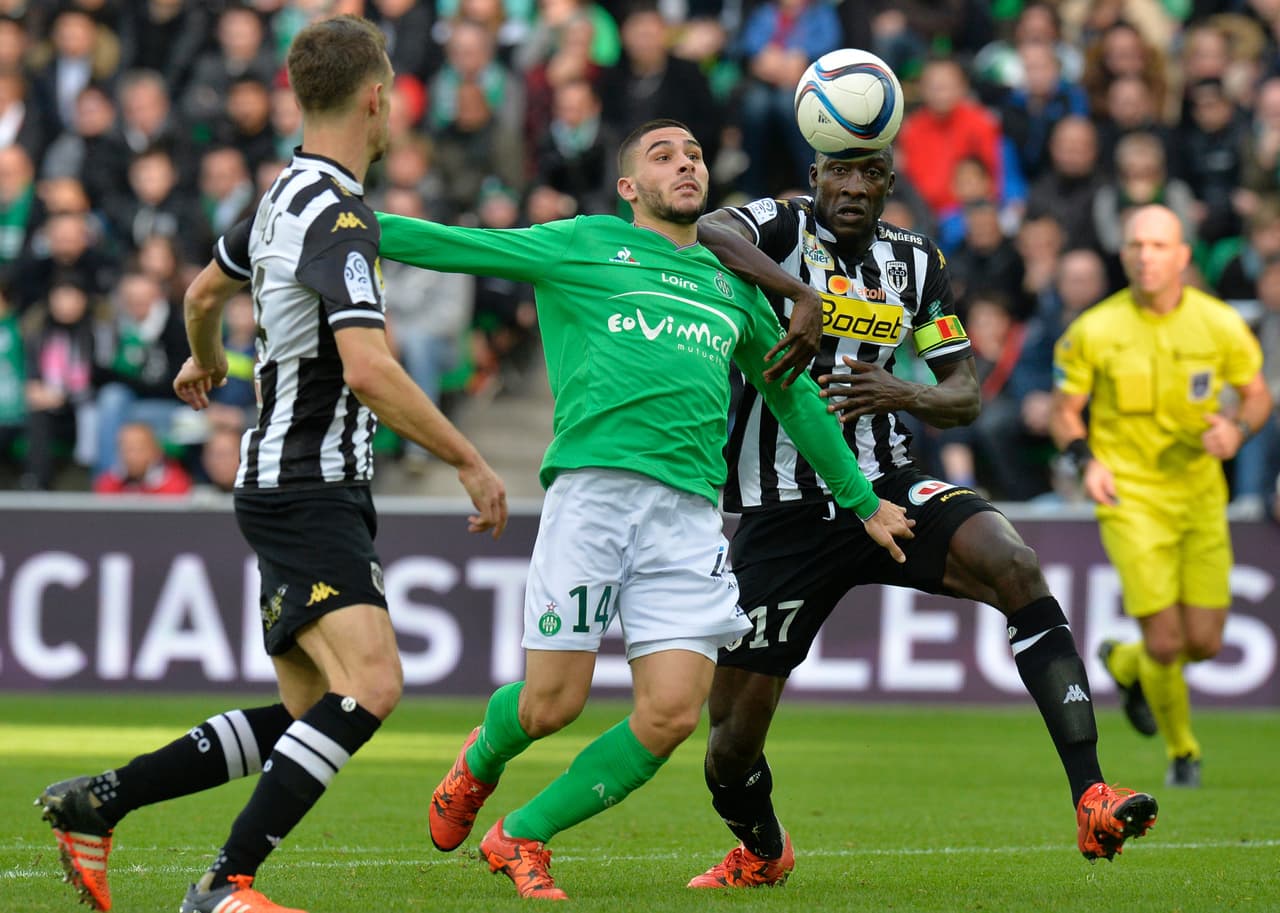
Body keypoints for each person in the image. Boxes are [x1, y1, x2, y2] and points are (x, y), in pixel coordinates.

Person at [35, 16, 508, 913]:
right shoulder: (339, 215)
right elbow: (369, 369)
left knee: (306, 710)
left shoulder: (281, 194)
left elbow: (202, 290)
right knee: (372, 684)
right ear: (377, 99)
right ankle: (225, 883)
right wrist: (469, 459)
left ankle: (101, 801)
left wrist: (206, 356)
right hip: (307, 483)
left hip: (286, 479)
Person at [374, 118, 915, 900]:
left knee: (670, 715)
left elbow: (794, 397)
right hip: (593, 498)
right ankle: (481, 758)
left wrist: (863, 501)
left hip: (689, 517)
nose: (686, 164)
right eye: (664, 156)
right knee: (550, 704)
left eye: (695, 154)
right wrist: (347, 224)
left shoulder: (732, 287)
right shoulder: (584, 242)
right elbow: (456, 244)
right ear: (630, 186)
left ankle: (521, 834)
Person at [686, 144, 1160, 889]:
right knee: (729, 745)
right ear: (815, 177)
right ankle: (761, 847)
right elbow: (710, 228)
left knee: (1014, 563)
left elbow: (964, 393)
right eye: (839, 171)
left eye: (870, 174)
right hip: (783, 509)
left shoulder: (916, 260)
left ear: (889, 185)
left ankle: (1092, 793)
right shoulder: (780, 225)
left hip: (889, 485)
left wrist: (902, 392)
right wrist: (798, 295)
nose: (853, 186)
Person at [1050, 204, 1272, 788]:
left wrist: (1237, 431)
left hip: (1200, 495)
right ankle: (1184, 753)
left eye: (1158, 246)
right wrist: (1087, 462)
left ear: (1182, 256)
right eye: (1136, 245)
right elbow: (1065, 412)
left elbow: (1257, 395)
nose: (1146, 257)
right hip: (1129, 497)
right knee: (1168, 642)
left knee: (1205, 642)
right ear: (1123, 254)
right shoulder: (1094, 329)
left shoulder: (1219, 323)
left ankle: (1124, 663)